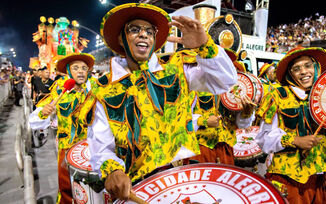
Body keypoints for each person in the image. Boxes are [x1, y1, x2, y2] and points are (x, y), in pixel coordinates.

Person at [83, 3, 237, 201]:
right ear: (121, 39)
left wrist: (204, 46)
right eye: (134, 29)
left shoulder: (177, 71)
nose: (143, 35)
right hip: (137, 189)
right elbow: (101, 147)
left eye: (149, 30)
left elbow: (226, 81)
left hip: (184, 182)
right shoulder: (103, 89)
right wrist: (112, 170)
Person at [255, 47, 326, 203]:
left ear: (316, 67)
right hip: (288, 180)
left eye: (308, 65)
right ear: (290, 74)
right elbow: (262, 138)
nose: (304, 71)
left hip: (321, 176)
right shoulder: (277, 96)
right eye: (297, 69)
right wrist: (294, 140)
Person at [29, 53, 97, 204]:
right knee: (68, 190)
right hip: (67, 148)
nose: (80, 71)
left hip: (94, 147)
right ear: (68, 71)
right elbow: (34, 121)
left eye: (84, 68)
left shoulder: (96, 88)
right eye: (76, 68)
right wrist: (44, 113)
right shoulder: (59, 90)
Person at [190, 49, 255, 165]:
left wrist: (246, 112)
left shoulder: (236, 87)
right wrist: (202, 120)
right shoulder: (194, 84)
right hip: (200, 149)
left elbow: (243, 125)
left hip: (226, 149)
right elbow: (179, 117)